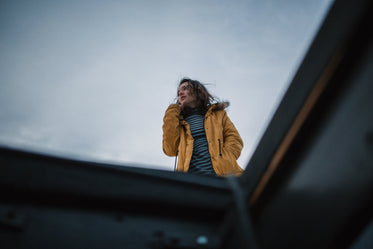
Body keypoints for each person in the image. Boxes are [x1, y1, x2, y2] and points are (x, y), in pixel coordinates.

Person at [162, 78, 244, 177]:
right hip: (192, 183)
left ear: (198, 91)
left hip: (223, 178)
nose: (180, 93)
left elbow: (235, 139)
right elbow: (170, 149)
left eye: (185, 88)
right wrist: (172, 110)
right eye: (179, 91)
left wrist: (226, 157)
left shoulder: (218, 114)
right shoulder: (178, 121)